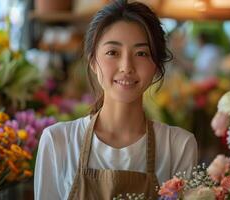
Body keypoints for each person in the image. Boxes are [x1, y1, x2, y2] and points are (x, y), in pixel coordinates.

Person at [34, 0, 198, 199]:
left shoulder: (178, 146)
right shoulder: (58, 141)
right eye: (113, 52)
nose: (126, 66)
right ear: (93, 61)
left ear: (156, 65)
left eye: (141, 53)